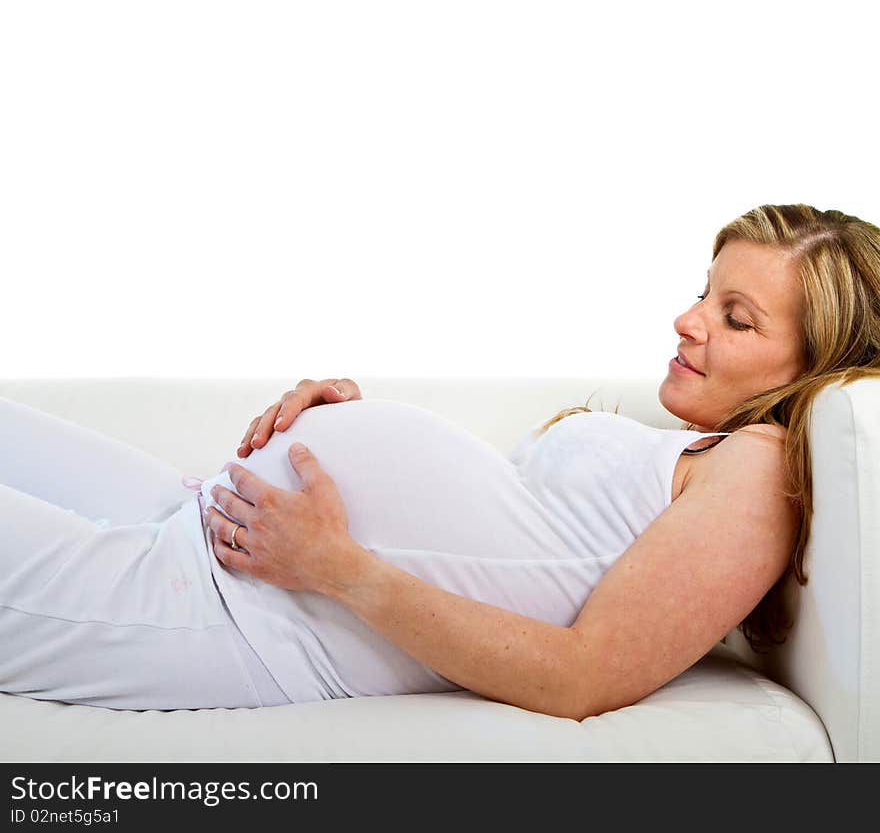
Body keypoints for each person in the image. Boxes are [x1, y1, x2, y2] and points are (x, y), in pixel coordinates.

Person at [1, 204, 878, 717]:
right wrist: (349, 430)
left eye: (737, 318)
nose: (689, 322)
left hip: (237, 618)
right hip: (200, 526)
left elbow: (584, 675)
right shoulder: (684, 443)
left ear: (820, 363)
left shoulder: (760, 468)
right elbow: (501, 547)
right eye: (703, 295)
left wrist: (337, 565)